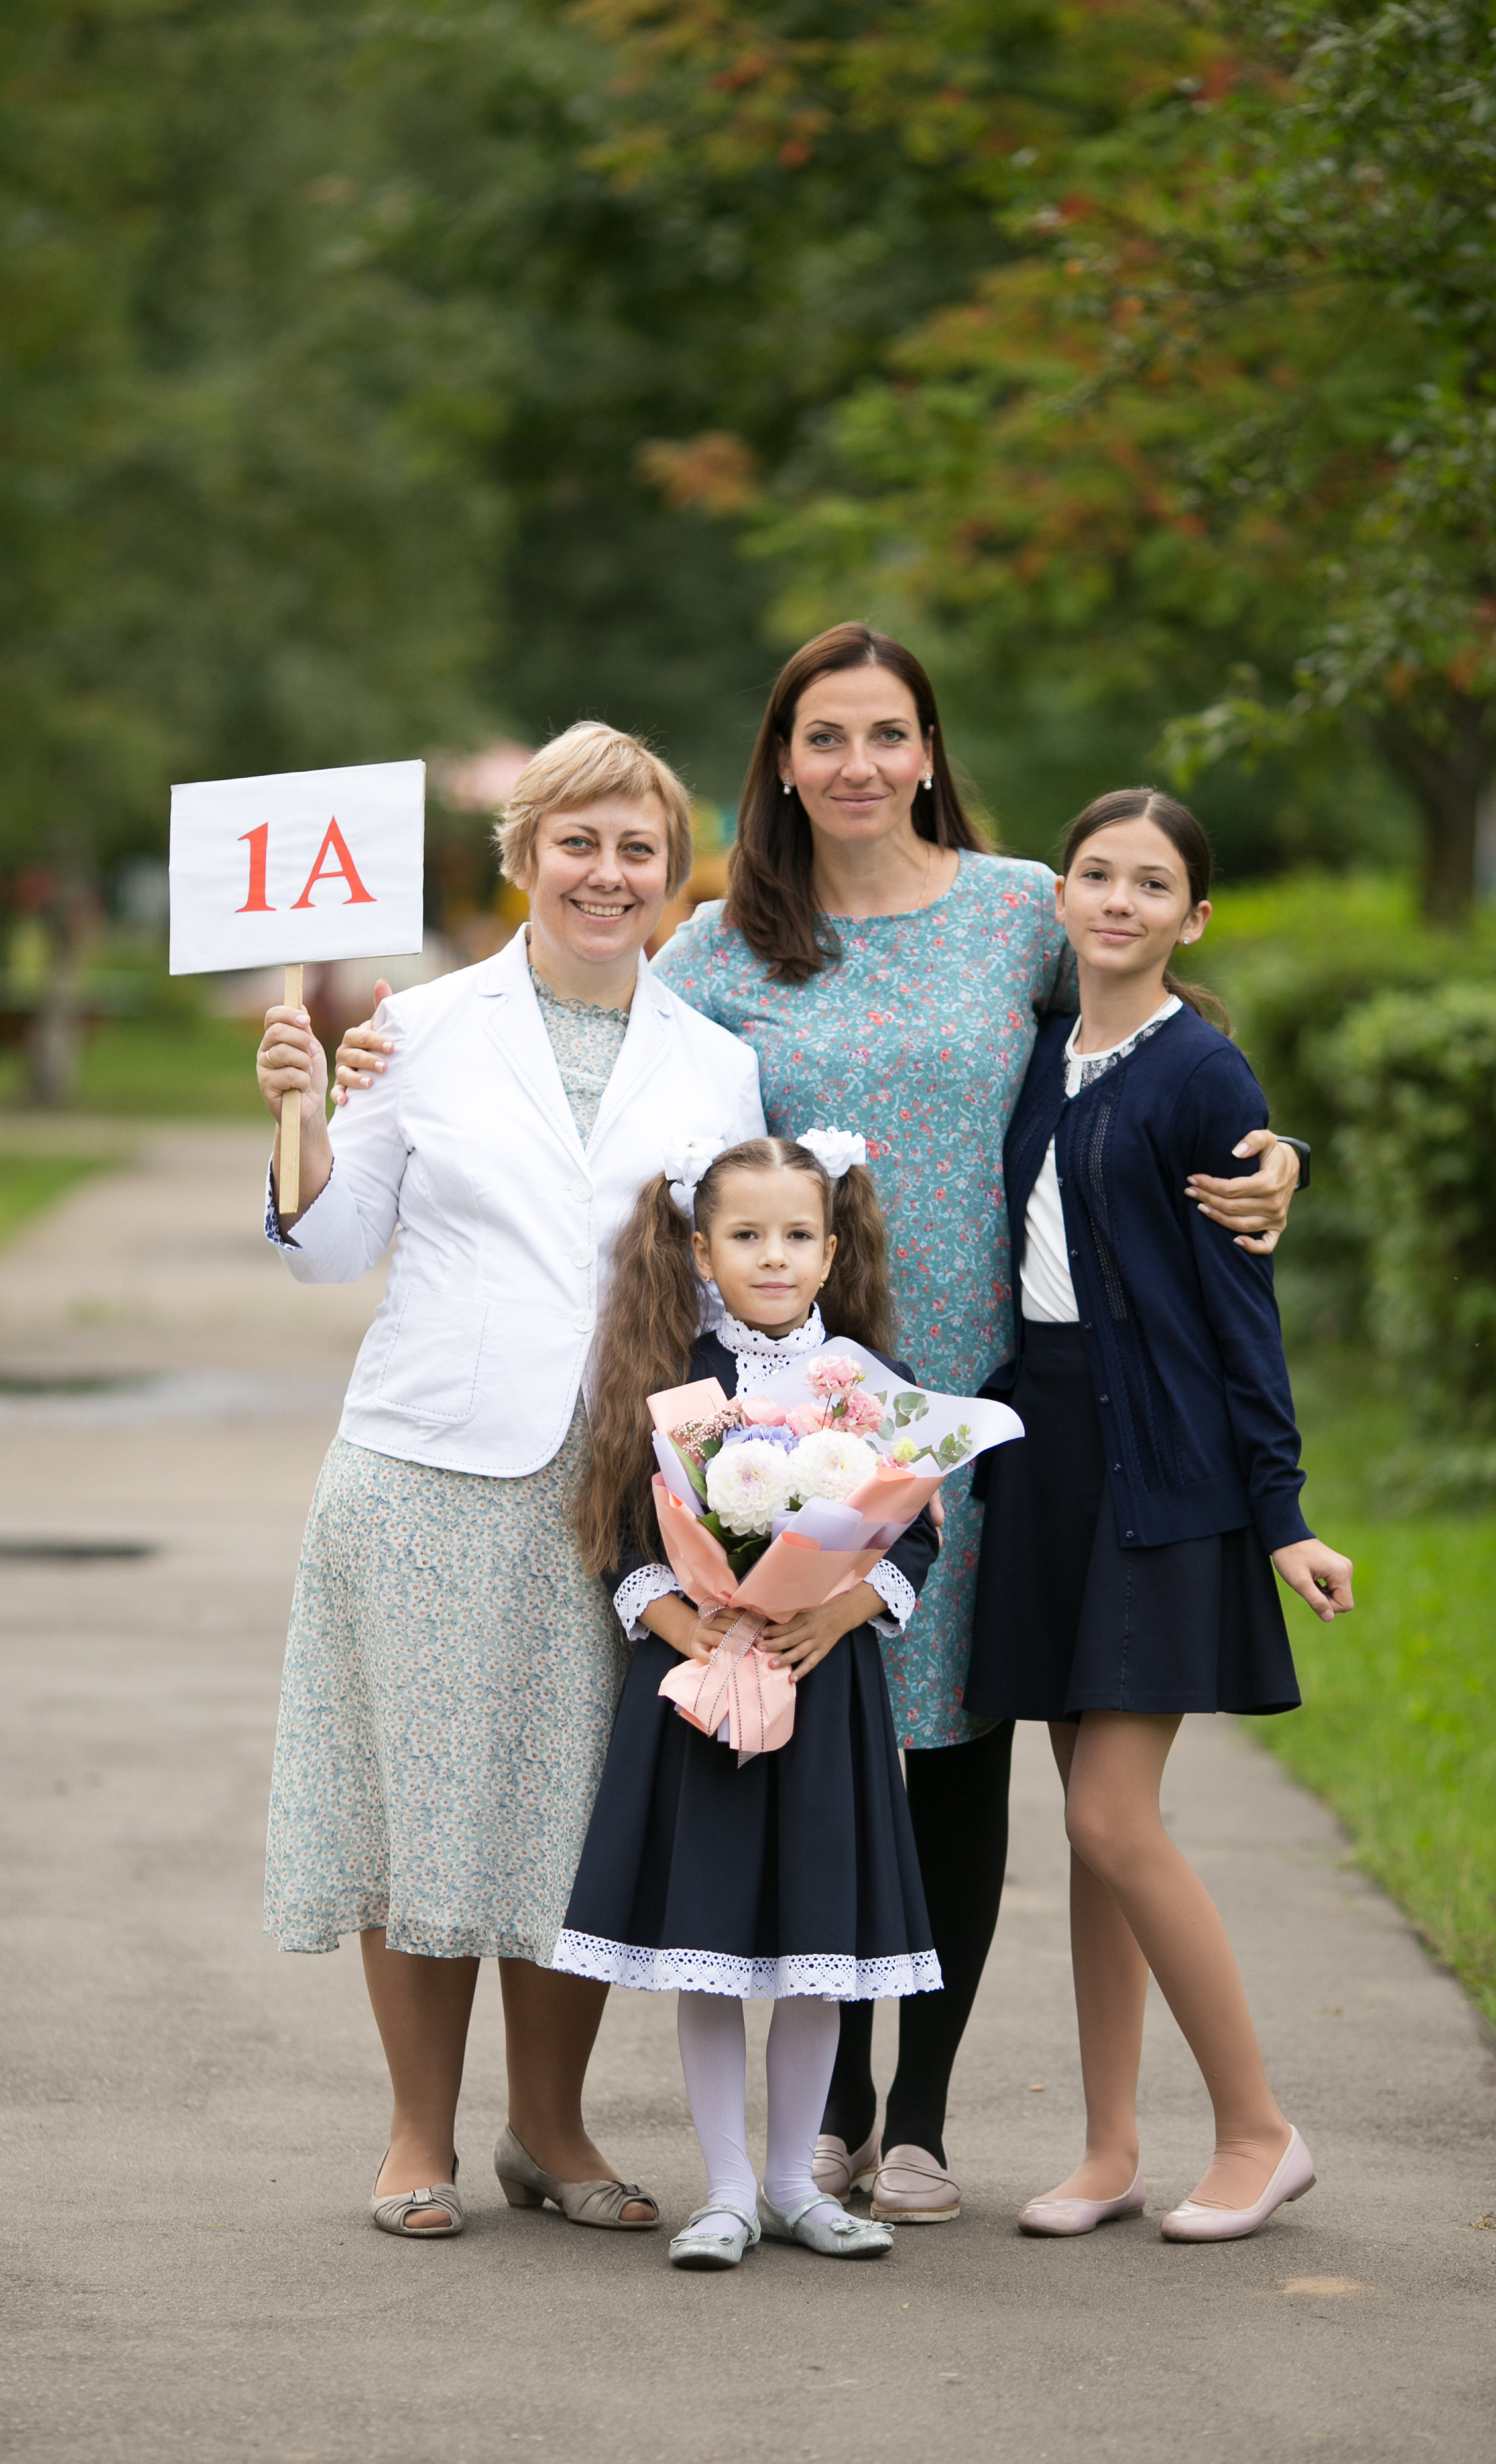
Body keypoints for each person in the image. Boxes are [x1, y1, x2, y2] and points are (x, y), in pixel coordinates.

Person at [331, 624, 1302, 2220]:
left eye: (887, 733)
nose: (858, 763)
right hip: (785, 1416)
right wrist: (383, 1050)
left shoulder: (1015, 910)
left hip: (977, 1401)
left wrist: (1278, 1147)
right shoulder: (718, 944)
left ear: (927, 751)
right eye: (824, 736)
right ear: (779, 761)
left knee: (952, 1750)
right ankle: (823, 2115)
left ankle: (918, 2114)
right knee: (811, 1741)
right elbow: (590, 1061)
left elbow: (1147, 1028)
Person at [254, 721, 763, 2239]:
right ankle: (417, 2134)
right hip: (425, 1471)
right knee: (422, 1806)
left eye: (636, 849)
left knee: (570, 1816)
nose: (606, 873)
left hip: (614, 1495)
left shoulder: (719, 1061)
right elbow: (332, 1250)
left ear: (674, 874)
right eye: (576, 843)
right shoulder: (415, 1028)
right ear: (523, 856)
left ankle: (549, 2128)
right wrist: (297, 1114)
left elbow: (736, 1286)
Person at [964, 787, 1354, 2244]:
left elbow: (1240, 1309)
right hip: (1047, 1456)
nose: (1116, 900)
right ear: (1059, 895)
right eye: (1095, 874)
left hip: (1162, 1469)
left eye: (1149, 882)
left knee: (1109, 1812)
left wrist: (1281, 1511)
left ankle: (1259, 2130)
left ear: (1192, 916)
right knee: (1092, 1830)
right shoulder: (1039, 1052)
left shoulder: (1200, 1068)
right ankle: (1108, 2146)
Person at [554, 1133, 941, 2270]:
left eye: (796, 1235)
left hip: (823, 1691)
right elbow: (625, 1528)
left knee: (817, 1943)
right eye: (746, 1234)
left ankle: (791, 2184)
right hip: (704, 1694)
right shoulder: (671, 1376)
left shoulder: (864, 1383)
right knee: (711, 1942)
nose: (773, 1256)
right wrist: (685, 1622)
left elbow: (913, 1531)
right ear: (699, 1249)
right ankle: (725, 2188)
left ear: (831, 1251)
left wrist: (843, 1608)